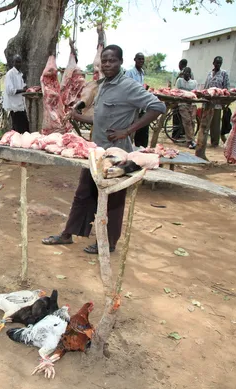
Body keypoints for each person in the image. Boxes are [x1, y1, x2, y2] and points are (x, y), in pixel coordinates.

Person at [42, 45, 165, 254]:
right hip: (95, 150)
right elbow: (102, 117)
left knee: (113, 201)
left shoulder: (128, 86)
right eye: (104, 61)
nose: (107, 64)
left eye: (112, 61)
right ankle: (67, 235)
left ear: (121, 61)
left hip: (117, 154)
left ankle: (108, 243)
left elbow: (158, 107)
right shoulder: (104, 85)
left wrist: (127, 130)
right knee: (83, 194)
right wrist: (80, 118)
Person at [201, 56, 230, 148]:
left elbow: (226, 88)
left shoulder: (224, 74)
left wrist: (224, 101)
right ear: (213, 63)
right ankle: (202, 140)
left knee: (215, 123)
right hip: (208, 101)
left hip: (217, 102)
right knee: (205, 121)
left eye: (220, 63)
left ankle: (214, 142)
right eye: (217, 63)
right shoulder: (209, 73)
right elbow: (206, 86)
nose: (218, 64)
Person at [124, 52, 149, 147]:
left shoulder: (142, 73)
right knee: (129, 125)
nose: (141, 61)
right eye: (139, 59)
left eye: (142, 59)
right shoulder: (130, 72)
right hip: (130, 103)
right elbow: (125, 87)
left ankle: (133, 145)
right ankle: (127, 145)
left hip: (139, 103)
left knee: (136, 124)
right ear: (135, 60)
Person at [3, 55, 29, 134]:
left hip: (20, 105)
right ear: (13, 63)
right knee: (19, 129)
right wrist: (22, 90)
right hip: (14, 106)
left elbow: (22, 87)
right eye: (16, 62)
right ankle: (17, 144)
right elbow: (10, 91)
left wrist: (25, 88)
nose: (18, 64)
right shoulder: (10, 74)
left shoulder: (20, 74)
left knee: (24, 128)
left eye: (19, 62)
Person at [175, 67, 198, 149]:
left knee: (193, 121)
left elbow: (195, 93)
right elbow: (176, 91)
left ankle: (191, 140)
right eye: (185, 72)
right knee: (187, 121)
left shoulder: (194, 83)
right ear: (183, 73)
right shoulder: (179, 81)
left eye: (188, 72)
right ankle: (191, 141)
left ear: (190, 74)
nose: (186, 74)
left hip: (192, 104)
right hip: (182, 103)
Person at [172, 59, 189, 139]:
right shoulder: (188, 72)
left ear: (181, 65)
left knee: (177, 116)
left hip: (180, 98)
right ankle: (180, 133)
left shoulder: (183, 73)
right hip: (184, 98)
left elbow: (178, 88)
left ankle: (176, 134)